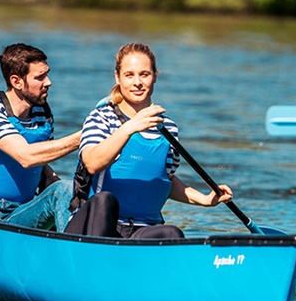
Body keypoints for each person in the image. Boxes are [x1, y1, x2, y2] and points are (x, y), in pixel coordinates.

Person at [64, 42, 233, 239]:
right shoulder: (100, 118)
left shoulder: (168, 128)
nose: (137, 82)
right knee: (104, 200)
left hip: (141, 230)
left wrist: (205, 199)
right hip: (94, 225)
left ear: (155, 77)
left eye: (144, 74)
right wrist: (130, 127)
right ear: (117, 77)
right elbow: (92, 163)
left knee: (172, 233)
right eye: (129, 75)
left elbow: (163, 180)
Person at [0, 43, 81, 230]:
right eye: (40, 77)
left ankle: (72, 250)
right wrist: (84, 136)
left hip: (19, 214)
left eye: (47, 74)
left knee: (65, 188)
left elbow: (39, 163)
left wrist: (70, 199)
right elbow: (25, 156)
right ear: (17, 82)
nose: (48, 82)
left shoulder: (43, 113)